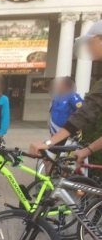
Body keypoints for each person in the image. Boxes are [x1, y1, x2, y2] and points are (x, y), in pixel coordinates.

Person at [31, 19, 102, 160]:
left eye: (90, 43)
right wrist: (87, 150)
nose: (88, 48)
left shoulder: (72, 97)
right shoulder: (58, 98)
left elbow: (87, 111)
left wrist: (49, 143)